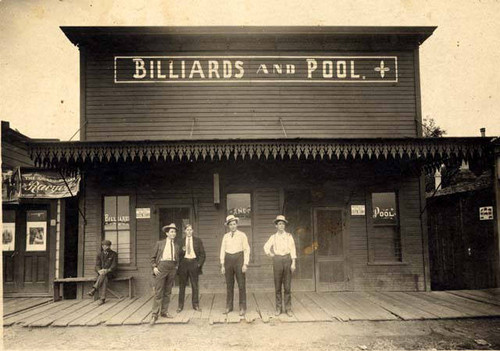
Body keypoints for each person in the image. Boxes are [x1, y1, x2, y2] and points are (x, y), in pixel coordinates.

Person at [263, 215, 296, 317]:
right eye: (279, 224)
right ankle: (278, 308)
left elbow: (293, 249)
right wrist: (270, 254)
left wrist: (293, 262)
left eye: (283, 224)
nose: (281, 226)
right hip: (277, 261)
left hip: (287, 260)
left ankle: (288, 308)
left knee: (287, 286)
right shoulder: (273, 237)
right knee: (277, 286)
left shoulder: (289, 236)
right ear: (276, 226)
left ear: (285, 225)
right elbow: (266, 247)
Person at [149, 223, 180, 326]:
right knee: (159, 291)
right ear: (167, 233)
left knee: (168, 291)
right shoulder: (160, 243)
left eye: (174, 232)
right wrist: (154, 267)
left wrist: (175, 267)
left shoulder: (176, 246)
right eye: (171, 232)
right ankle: (154, 314)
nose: (173, 233)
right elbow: (153, 257)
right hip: (161, 267)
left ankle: (164, 312)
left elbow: (177, 259)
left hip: (172, 268)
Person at [219, 214, 250, 316]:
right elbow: (222, 250)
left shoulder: (242, 235)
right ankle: (229, 306)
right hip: (228, 260)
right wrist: (222, 264)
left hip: (239, 259)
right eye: (230, 224)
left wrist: (245, 264)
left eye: (234, 224)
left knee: (241, 284)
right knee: (229, 284)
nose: (232, 226)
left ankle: (242, 307)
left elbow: (246, 250)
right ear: (228, 226)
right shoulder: (225, 236)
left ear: (237, 224)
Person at [177, 224, 206, 313]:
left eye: (190, 230)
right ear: (185, 231)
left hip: (194, 263)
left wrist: (198, 264)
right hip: (184, 264)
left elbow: (202, 254)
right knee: (182, 286)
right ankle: (180, 306)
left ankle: (195, 305)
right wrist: (182, 250)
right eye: (187, 230)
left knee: (195, 285)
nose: (189, 231)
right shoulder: (180, 241)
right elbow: (177, 255)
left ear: (192, 231)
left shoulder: (198, 241)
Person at [87, 239, 118, 305]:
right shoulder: (99, 254)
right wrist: (99, 270)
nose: (104, 247)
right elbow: (97, 265)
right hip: (102, 274)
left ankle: (94, 289)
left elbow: (114, 266)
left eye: (106, 246)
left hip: (110, 273)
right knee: (104, 278)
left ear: (109, 246)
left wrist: (107, 270)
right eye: (103, 245)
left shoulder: (114, 254)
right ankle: (102, 299)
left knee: (104, 276)